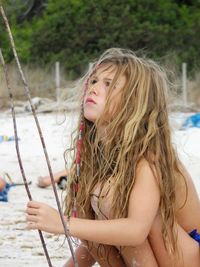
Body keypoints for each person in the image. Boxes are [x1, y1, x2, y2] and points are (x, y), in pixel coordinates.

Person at [26, 48, 200, 267]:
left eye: (109, 84)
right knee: (97, 212)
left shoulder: (148, 157)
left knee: (113, 201)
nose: (95, 89)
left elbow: (136, 231)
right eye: (94, 81)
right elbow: (93, 241)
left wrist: (62, 223)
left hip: (189, 253)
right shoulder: (103, 156)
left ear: (134, 102)